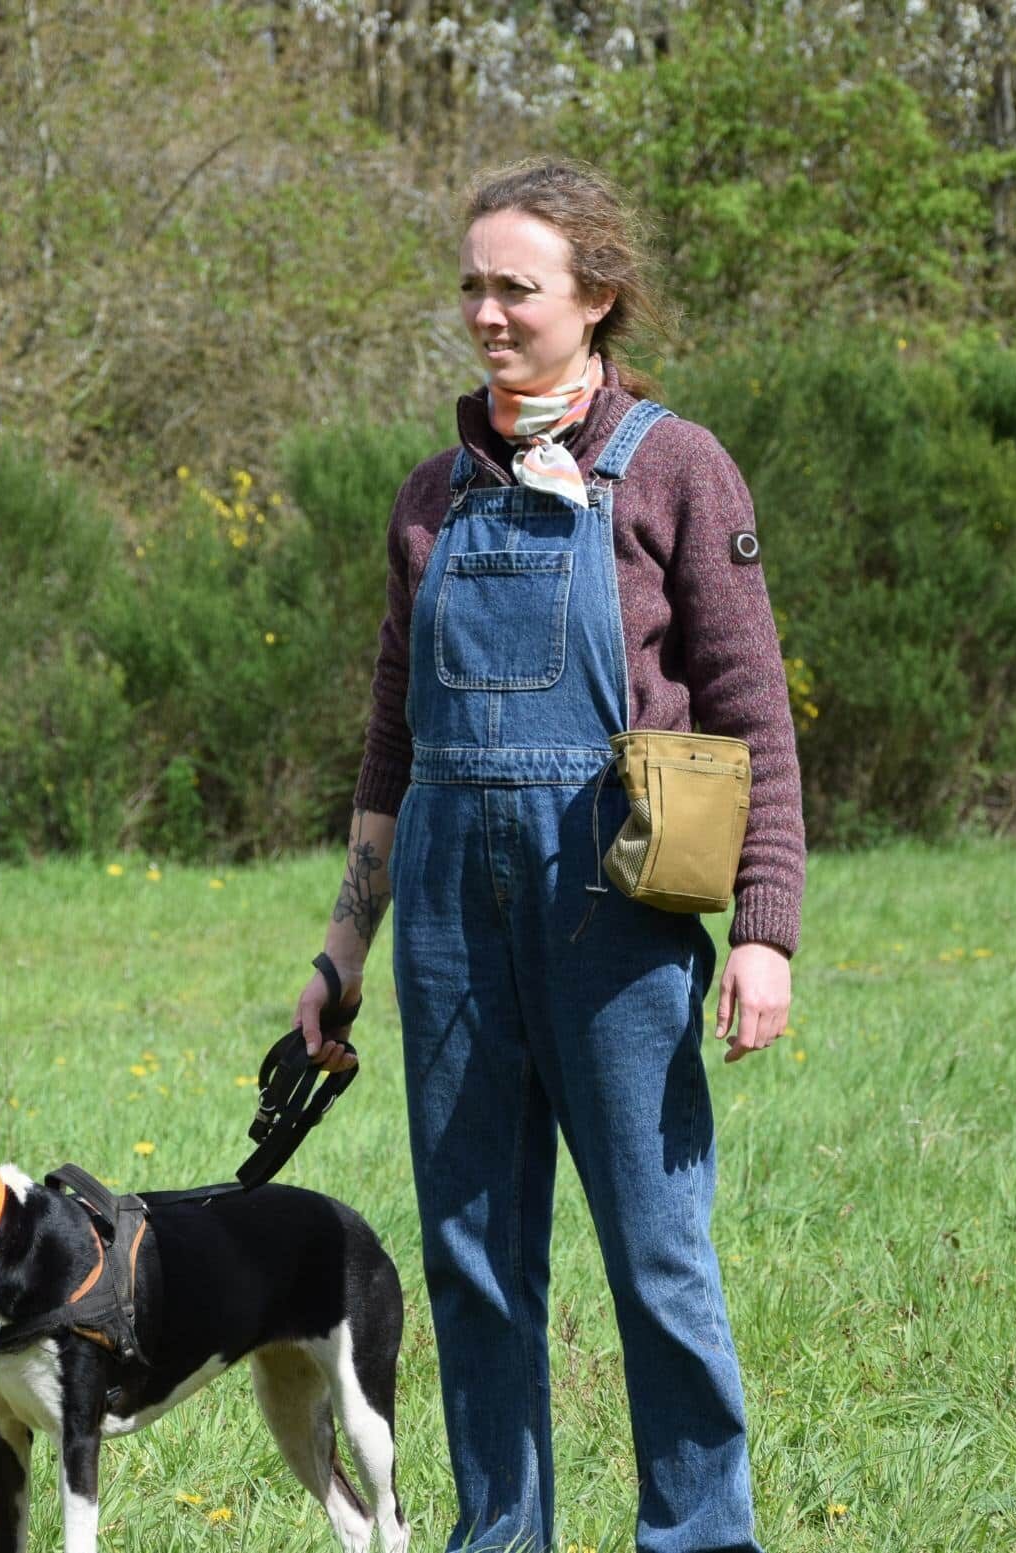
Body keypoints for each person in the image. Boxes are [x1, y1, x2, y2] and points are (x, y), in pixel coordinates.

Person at [294, 157, 804, 1553]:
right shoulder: (427, 497)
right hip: (450, 917)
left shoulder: (675, 469)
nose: (484, 313)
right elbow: (391, 743)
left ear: (595, 296)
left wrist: (762, 928)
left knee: (656, 1253)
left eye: (514, 286)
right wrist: (344, 945)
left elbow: (751, 704)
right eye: (469, 285)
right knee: (471, 1260)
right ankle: (498, 1535)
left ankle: (699, 1537)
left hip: (614, 905)